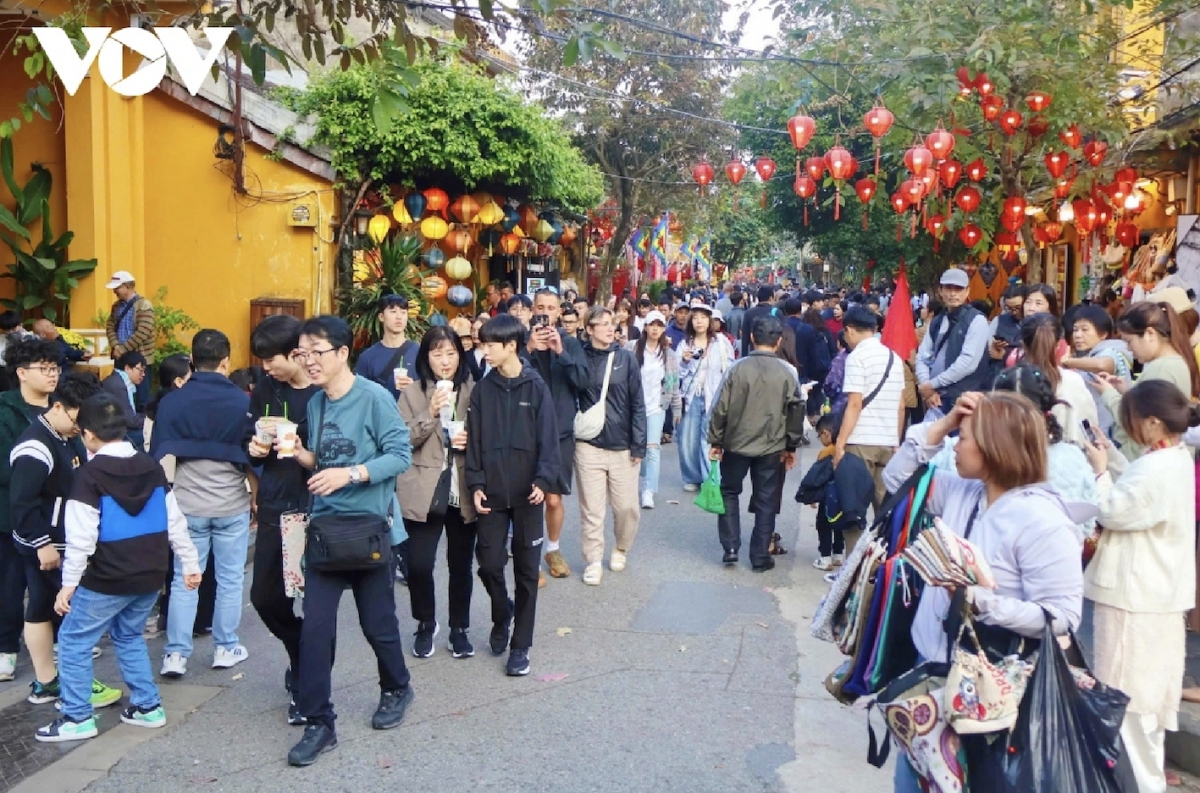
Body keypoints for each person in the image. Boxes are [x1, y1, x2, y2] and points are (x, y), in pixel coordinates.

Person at [884, 391, 1085, 792]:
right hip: (933, 683)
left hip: (992, 703)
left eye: (964, 436)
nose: (955, 444)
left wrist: (982, 603)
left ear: (994, 447)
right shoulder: (962, 492)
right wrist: (943, 423)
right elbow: (896, 479)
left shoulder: (1041, 520)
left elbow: (1064, 615)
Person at [32, 393, 202, 743]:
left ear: (88, 434)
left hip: (107, 577)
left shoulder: (90, 475)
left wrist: (68, 585)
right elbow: (175, 520)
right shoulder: (151, 466)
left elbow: (81, 538)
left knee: (73, 640)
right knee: (127, 635)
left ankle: (77, 716)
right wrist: (189, 562)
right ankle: (147, 706)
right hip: (150, 574)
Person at [285, 315, 414, 766]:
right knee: (315, 632)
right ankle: (320, 722)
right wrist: (298, 454)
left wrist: (351, 474)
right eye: (303, 353)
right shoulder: (317, 404)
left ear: (342, 354)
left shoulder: (375, 398)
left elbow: (400, 455)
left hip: (368, 531)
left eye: (316, 352)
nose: (309, 362)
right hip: (324, 534)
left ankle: (397, 686)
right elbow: (325, 459)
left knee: (378, 625)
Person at [1082, 379, 1197, 793]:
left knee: (1127, 703)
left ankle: (1141, 786)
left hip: (1136, 596)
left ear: (1151, 423)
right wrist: (1109, 456)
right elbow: (1134, 487)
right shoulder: (1172, 458)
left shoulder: (1158, 466)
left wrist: (1098, 471)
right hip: (1157, 595)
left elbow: (1115, 509)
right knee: (1145, 703)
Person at [11, 373, 120, 709]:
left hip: (57, 543)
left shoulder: (61, 436)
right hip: (46, 546)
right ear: (58, 407)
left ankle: (48, 682)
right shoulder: (35, 447)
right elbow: (22, 501)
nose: (81, 428)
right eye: (77, 419)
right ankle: (75, 684)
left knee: (42, 608)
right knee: (67, 611)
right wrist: (41, 542)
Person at [152, 330, 253, 678]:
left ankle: (175, 655)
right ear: (226, 362)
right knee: (228, 579)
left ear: (192, 361)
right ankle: (225, 648)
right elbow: (253, 457)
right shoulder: (243, 402)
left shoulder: (173, 402)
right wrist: (257, 495)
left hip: (187, 503)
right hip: (230, 501)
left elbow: (159, 455)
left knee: (184, 579)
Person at [466, 314, 560, 675]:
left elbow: (549, 441)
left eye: (491, 344)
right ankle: (501, 613)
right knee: (489, 565)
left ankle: (520, 645)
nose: (484, 350)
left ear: (511, 346)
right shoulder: (483, 390)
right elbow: (473, 442)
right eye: (482, 343)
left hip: (528, 495)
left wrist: (542, 480)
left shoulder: (536, 387)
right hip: (490, 494)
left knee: (525, 571)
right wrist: (475, 484)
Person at [245, 315, 319, 725]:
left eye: (270, 359)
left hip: (316, 503)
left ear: (295, 353)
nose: (266, 368)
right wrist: (255, 449)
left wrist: (300, 444)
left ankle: (308, 685)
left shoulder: (324, 391)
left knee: (316, 600)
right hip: (276, 501)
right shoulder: (266, 389)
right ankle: (299, 651)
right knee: (266, 596)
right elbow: (248, 435)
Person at [397, 327, 478, 659]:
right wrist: (429, 413)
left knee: (460, 564)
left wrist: (471, 440)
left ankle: (459, 627)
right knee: (417, 564)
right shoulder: (412, 394)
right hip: (422, 487)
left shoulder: (476, 391)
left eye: (450, 353)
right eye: (436, 353)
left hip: (462, 488)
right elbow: (400, 440)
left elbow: (489, 436)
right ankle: (425, 622)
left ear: (460, 355)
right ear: (425, 358)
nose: (444, 361)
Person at [707, 317, 803, 570]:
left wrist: (716, 440)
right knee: (766, 498)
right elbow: (796, 411)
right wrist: (791, 446)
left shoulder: (737, 368)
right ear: (779, 341)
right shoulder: (788, 372)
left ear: (751, 338)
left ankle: (730, 547)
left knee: (729, 492)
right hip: (772, 445)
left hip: (735, 442)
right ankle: (760, 555)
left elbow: (720, 408)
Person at [0, 337, 61, 681]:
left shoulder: (62, 408)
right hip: (11, 517)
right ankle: (6, 648)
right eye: (44, 369)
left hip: (54, 517)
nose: (52, 375)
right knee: (9, 588)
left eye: (54, 368)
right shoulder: (5, 411)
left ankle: (53, 645)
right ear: (22, 372)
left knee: (49, 588)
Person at [575, 306, 646, 585]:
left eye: (610, 323)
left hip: (622, 445)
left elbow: (638, 402)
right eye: (601, 324)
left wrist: (638, 444)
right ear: (589, 329)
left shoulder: (626, 359)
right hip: (588, 445)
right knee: (592, 509)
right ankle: (593, 560)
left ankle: (621, 547)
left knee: (627, 507)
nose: (608, 328)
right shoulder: (578, 357)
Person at [525, 288, 590, 582]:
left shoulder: (571, 344)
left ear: (558, 313)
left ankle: (553, 548)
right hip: (526, 432)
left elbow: (582, 382)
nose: (546, 312)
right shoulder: (521, 342)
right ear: (532, 311)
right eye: (540, 307)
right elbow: (506, 374)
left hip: (561, 431)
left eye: (551, 308)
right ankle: (530, 559)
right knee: (529, 498)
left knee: (552, 499)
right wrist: (528, 348)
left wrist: (560, 353)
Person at [1094, 301, 1200, 460]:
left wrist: (1109, 394)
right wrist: (1127, 392)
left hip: (1141, 457)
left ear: (1150, 334)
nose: (1129, 349)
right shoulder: (1171, 361)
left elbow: (1139, 423)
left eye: (1129, 341)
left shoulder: (1162, 368)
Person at [834, 306, 905, 519]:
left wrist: (840, 443)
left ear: (850, 330)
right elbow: (901, 405)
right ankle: (884, 552)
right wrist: (896, 440)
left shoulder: (856, 358)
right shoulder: (894, 358)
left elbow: (854, 404)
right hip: (887, 442)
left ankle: (856, 553)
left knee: (854, 510)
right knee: (884, 512)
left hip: (861, 442)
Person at [797, 413, 873, 570]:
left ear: (826, 433)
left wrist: (811, 497)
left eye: (819, 436)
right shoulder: (849, 450)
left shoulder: (826, 452)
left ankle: (825, 558)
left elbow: (816, 477)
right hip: (843, 498)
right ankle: (838, 554)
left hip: (827, 498)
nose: (820, 440)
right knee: (840, 525)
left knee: (823, 525)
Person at [915, 268, 991, 416]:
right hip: (936, 398)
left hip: (964, 398)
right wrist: (927, 388)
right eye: (948, 288)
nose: (953, 293)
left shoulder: (976, 320)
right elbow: (922, 356)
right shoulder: (937, 321)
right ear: (941, 291)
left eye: (958, 289)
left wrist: (932, 384)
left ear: (967, 291)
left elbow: (968, 362)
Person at [678, 303, 735, 491]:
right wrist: (684, 362)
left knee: (708, 438)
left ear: (710, 320)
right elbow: (676, 375)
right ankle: (691, 477)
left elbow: (729, 368)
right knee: (687, 438)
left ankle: (710, 478)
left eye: (703, 317)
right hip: (691, 395)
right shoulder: (686, 343)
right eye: (695, 318)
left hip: (714, 396)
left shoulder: (720, 342)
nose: (699, 321)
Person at [1018, 313, 1098, 445]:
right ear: (1057, 346)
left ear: (1023, 345)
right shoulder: (1073, 381)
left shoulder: (1012, 380)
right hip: (1070, 460)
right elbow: (1089, 428)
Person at [627, 310, 680, 510]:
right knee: (634, 448)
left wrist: (676, 408)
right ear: (646, 327)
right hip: (633, 406)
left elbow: (673, 383)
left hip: (657, 406)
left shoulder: (669, 354)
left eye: (659, 325)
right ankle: (640, 477)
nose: (655, 328)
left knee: (653, 449)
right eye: (652, 324)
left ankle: (649, 490)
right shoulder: (632, 348)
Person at [1062, 305, 1132, 437]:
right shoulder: (1089, 355)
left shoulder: (1112, 350)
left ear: (1103, 334)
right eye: (1075, 330)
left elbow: (1103, 365)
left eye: (1085, 330)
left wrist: (1067, 362)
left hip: (1112, 434)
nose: (1078, 335)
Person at [104, 272, 156, 407]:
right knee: (120, 393)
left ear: (127, 287)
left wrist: (122, 349)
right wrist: (116, 346)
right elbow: (110, 326)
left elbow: (143, 332)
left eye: (117, 288)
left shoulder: (144, 305)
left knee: (141, 397)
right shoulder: (116, 306)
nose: (115, 291)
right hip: (120, 356)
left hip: (140, 356)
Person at [354, 294, 418, 401]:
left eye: (403, 312)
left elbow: (429, 392)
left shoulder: (419, 352)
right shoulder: (367, 357)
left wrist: (414, 388)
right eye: (393, 312)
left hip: (411, 415)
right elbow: (360, 397)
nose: (399, 317)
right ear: (381, 317)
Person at [101, 351, 147, 448]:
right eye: (140, 370)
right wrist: (150, 421)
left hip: (118, 429)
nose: (143, 375)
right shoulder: (118, 385)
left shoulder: (118, 380)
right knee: (152, 435)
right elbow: (130, 420)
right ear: (127, 368)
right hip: (115, 434)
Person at [987, 283, 1025, 370]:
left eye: (1018, 307)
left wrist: (1006, 355)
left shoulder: (1036, 323)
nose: (1014, 312)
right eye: (1009, 308)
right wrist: (994, 347)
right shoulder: (998, 320)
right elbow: (988, 349)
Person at [740, 286, 779, 357]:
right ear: (770, 298)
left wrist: (744, 356)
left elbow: (745, 337)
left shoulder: (749, 313)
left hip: (754, 353)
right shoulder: (777, 312)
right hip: (773, 354)